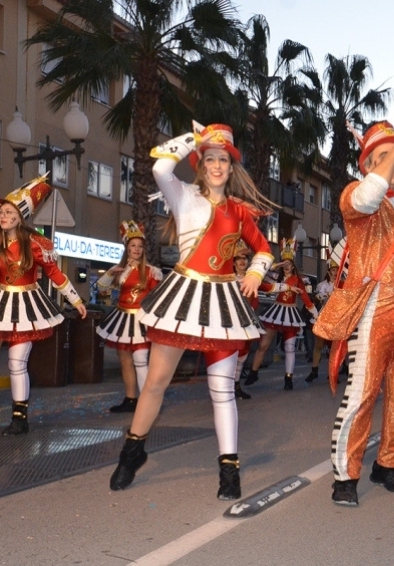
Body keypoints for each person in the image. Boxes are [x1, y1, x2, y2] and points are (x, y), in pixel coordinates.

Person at [108, 123, 275, 499]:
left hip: (223, 303)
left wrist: (253, 272)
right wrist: (194, 140)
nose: (217, 166)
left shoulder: (240, 212)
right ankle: (132, 451)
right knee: (155, 382)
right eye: (210, 159)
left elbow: (264, 249)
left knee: (222, 391)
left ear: (231, 169)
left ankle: (229, 471)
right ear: (201, 164)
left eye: (223, 160)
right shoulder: (183, 195)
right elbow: (159, 168)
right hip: (182, 295)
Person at [313, 121, 394, 506]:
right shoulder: (357, 195)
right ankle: (345, 476)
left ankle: (389, 465)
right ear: (367, 163)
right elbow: (368, 197)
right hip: (374, 307)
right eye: (386, 157)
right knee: (363, 393)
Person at [0, 176, 87, 436]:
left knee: (16, 363)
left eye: (9, 212)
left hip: (26, 307)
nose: (2, 215)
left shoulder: (36, 244)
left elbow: (55, 274)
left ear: (21, 216)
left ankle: (20, 418)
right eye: (1, 212)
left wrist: (76, 300)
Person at [96, 221, 163, 413]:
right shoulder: (119, 270)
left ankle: (147, 401)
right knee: (125, 360)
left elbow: (157, 298)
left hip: (141, 319)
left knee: (141, 358)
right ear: (127, 248)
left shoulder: (151, 272)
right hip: (122, 317)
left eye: (140, 246)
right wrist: (109, 274)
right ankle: (131, 399)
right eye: (133, 246)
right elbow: (101, 288)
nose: (137, 249)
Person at [244, 240, 318, 391]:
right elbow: (261, 274)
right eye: (284, 263)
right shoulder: (274, 276)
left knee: (290, 347)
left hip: (290, 314)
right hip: (276, 312)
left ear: (293, 265)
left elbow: (305, 298)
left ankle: (288, 377)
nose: (286, 266)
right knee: (264, 345)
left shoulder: (298, 280)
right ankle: (254, 372)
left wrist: (316, 314)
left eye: (289, 263)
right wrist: (277, 265)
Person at [232, 239, 259, 399]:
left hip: (247, 322)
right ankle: (225, 388)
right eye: (239, 258)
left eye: (245, 258)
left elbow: (267, 288)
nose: (242, 261)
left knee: (243, 354)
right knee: (229, 355)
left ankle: (236, 385)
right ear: (234, 262)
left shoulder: (252, 279)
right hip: (230, 322)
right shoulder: (227, 279)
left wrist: (288, 287)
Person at [306, 260, 339, 382]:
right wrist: (328, 294)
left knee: (335, 347)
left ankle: (333, 373)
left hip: (337, 317)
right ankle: (314, 370)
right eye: (333, 270)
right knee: (318, 345)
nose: (335, 272)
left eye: (337, 270)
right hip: (325, 316)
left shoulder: (342, 285)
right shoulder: (322, 285)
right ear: (329, 271)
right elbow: (317, 297)